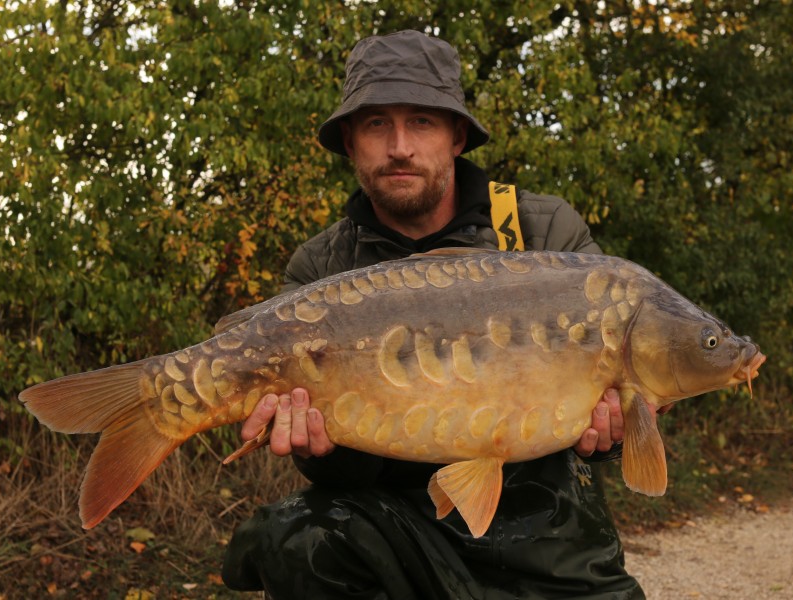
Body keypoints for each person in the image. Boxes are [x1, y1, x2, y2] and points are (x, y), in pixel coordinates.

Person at [222, 30, 649, 599]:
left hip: (550, 539)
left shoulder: (543, 235)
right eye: (377, 124)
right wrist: (313, 448)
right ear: (350, 142)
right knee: (292, 540)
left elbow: (614, 393)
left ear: (456, 137)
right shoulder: (320, 269)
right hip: (393, 531)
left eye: (422, 121)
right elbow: (334, 475)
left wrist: (616, 431)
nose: (400, 146)